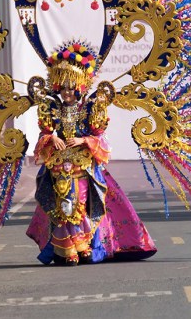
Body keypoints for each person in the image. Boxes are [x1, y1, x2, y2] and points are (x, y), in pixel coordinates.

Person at [26, 40, 156, 265]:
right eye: (63, 87)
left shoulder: (90, 109)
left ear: (80, 87)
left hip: (84, 167)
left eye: (71, 87)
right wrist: (52, 138)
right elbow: (44, 136)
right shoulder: (52, 108)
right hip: (58, 168)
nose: (67, 92)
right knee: (61, 208)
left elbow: (100, 139)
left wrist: (83, 140)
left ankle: (87, 247)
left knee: (83, 206)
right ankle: (66, 250)